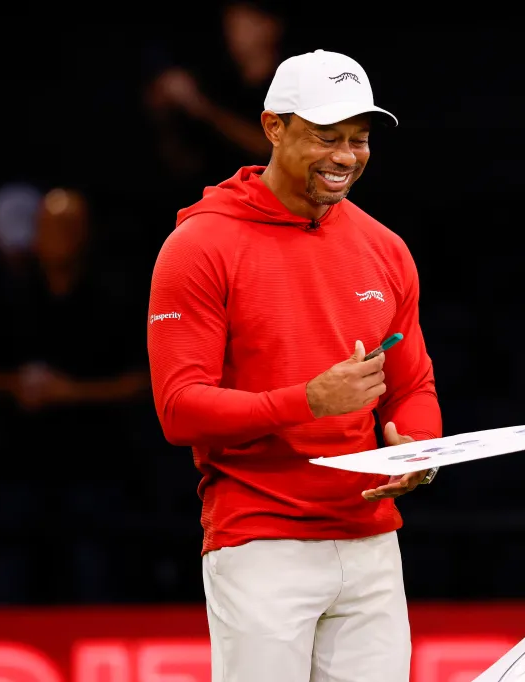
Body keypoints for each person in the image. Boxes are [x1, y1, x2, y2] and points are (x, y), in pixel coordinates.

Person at [147, 49, 442, 682]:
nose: (346, 156)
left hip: (371, 544)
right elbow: (179, 410)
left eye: (359, 140)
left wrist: (416, 448)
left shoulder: (385, 247)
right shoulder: (199, 244)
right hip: (260, 543)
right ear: (273, 127)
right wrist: (307, 401)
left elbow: (412, 384)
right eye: (326, 137)